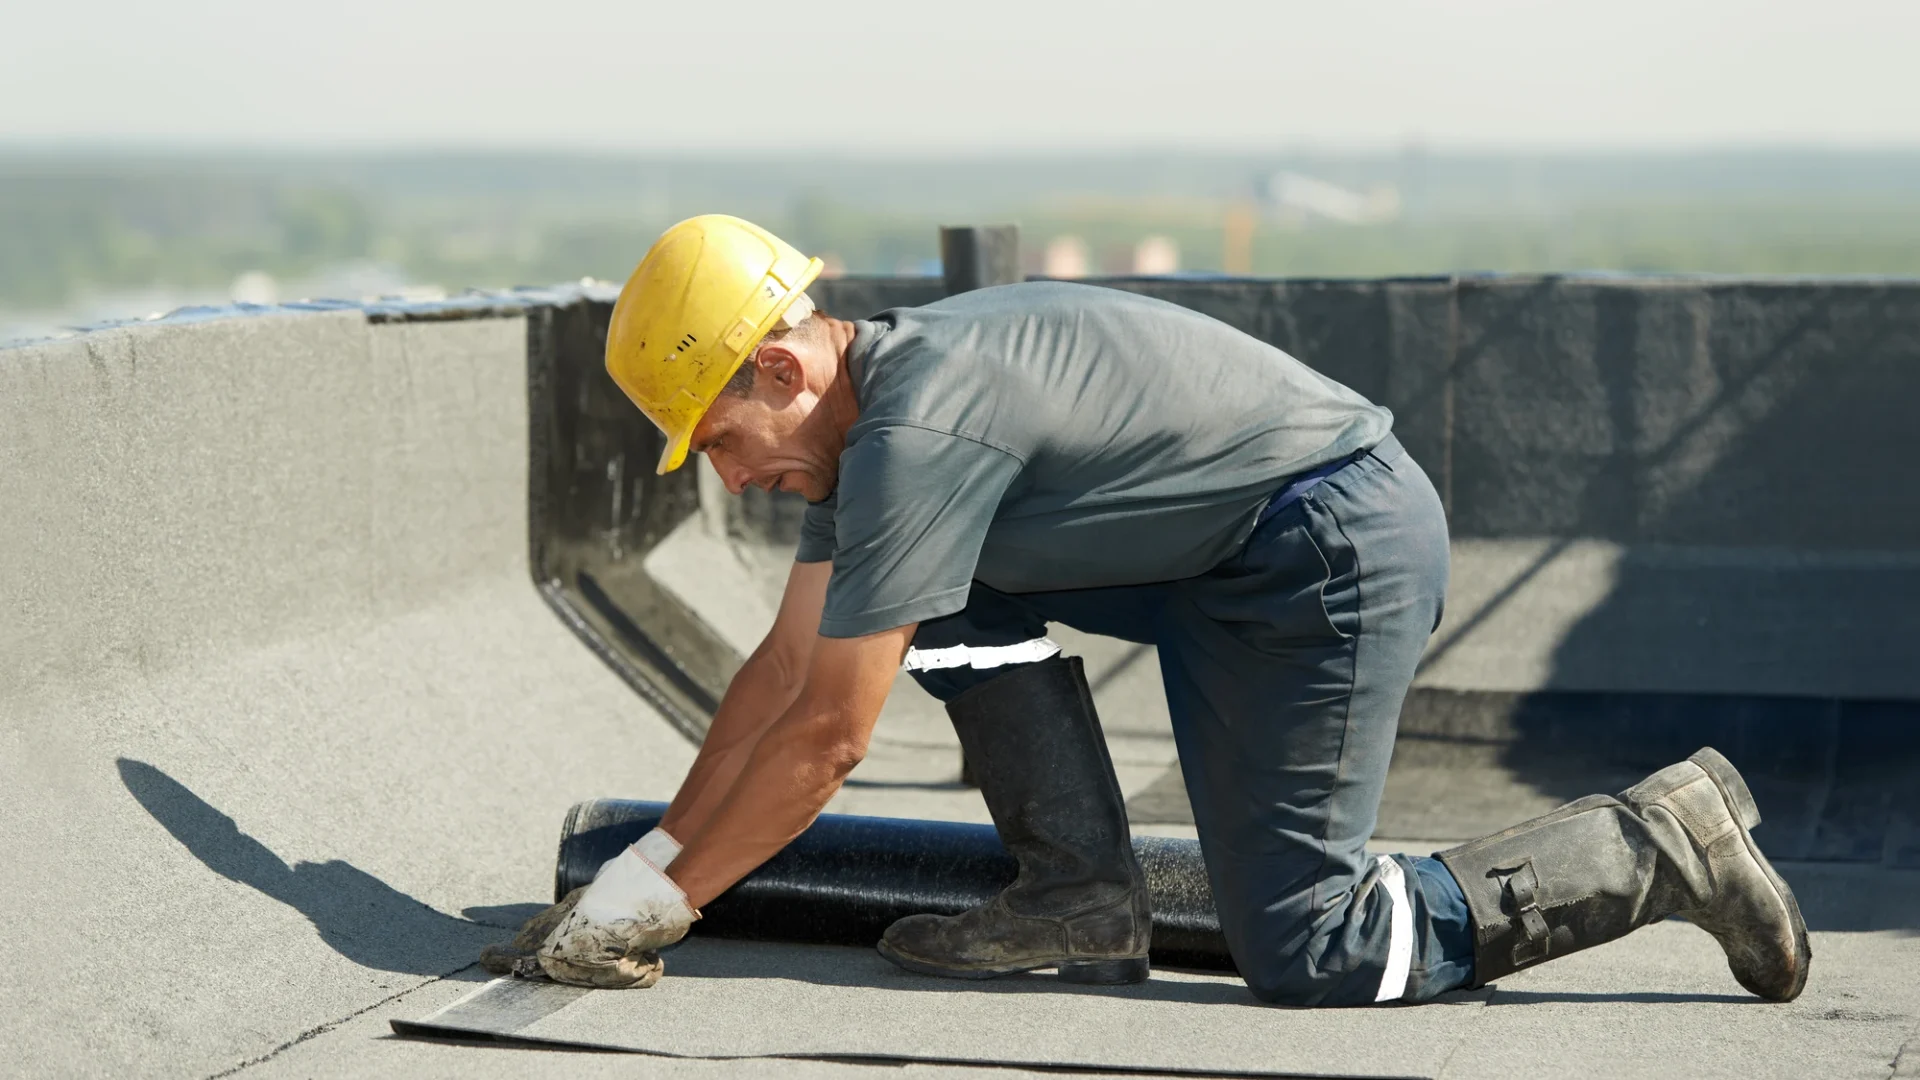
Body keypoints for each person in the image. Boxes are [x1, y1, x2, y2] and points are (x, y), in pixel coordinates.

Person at [485, 215, 1810, 1005]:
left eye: (722, 438)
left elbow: (829, 740)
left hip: (1325, 553)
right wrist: (647, 866)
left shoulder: (919, 426)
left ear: (781, 361)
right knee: (921, 599)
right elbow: (782, 678)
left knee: (1313, 948)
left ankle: (1647, 850)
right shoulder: (865, 435)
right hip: (1227, 558)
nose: (731, 477)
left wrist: (661, 910)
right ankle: (1080, 895)